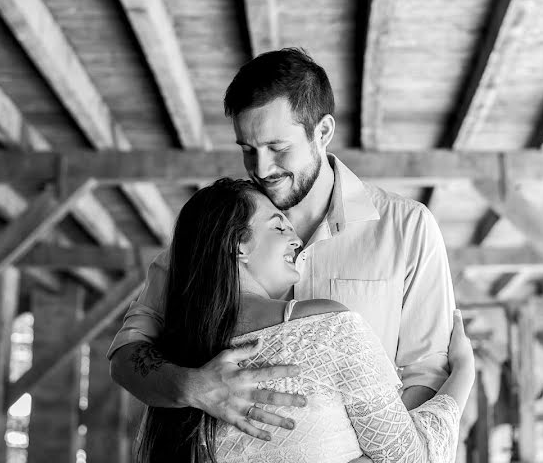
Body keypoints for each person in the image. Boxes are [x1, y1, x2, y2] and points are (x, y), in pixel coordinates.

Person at [109, 48, 456, 441]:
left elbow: (426, 373)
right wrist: (191, 387)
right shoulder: (217, 231)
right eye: (247, 149)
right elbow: (128, 354)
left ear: (322, 132)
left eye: (278, 148)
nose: (261, 169)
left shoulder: (408, 228)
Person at [138, 178, 475, 462]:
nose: (296, 239)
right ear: (240, 245)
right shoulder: (329, 325)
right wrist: (463, 375)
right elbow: (409, 458)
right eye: (278, 226)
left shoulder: (172, 357)